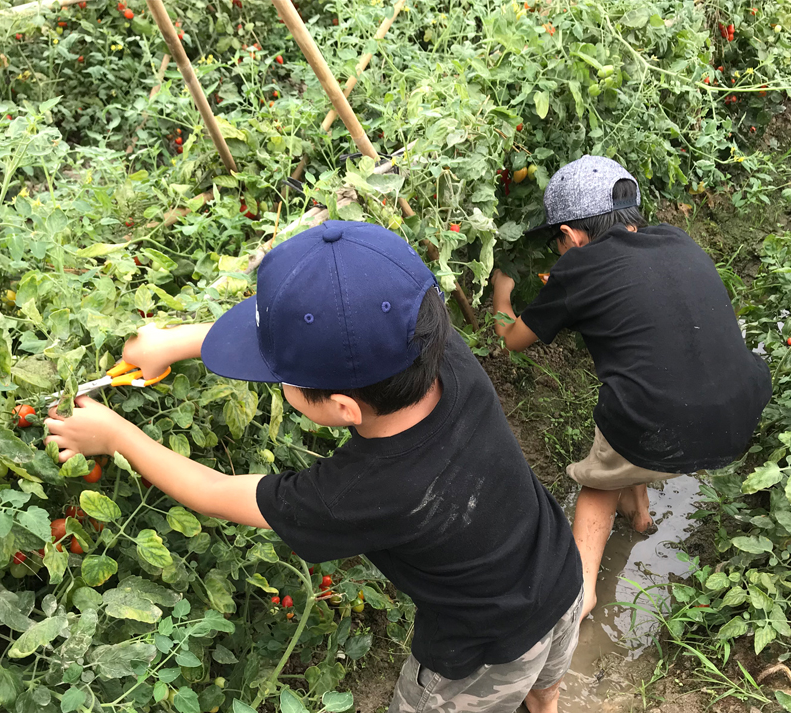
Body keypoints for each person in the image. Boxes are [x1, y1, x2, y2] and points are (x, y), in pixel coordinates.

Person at [44, 221, 584, 713]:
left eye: (286, 380)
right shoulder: (441, 353)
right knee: (545, 686)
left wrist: (116, 434)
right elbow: (340, 336)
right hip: (561, 571)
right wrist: (173, 342)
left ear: (342, 410)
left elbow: (213, 491)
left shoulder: (359, 489)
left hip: (483, 650)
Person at [490, 156, 771, 620]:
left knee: (599, 479)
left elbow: (514, 339)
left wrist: (503, 296)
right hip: (739, 414)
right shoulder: (677, 239)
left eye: (558, 241)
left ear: (572, 235)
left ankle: (578, 597)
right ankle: (641, 517)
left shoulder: (579, 264)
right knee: (646, 391)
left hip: (661, 423)